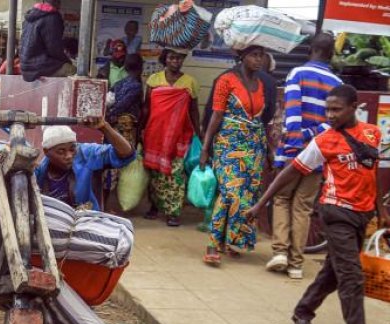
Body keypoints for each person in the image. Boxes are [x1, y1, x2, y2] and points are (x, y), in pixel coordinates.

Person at [247, 85, 386, 324]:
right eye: (328, 109)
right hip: (335, 213)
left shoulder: (373, 133)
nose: (330, 115)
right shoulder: (324, 141)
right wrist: (260, 204)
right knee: (352, 277)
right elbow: (290, 171)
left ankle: (303, 311)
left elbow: (370, 173)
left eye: (337, 109)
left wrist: (381, 211)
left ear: (354, 107)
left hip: (362, 214)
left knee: (334, 273)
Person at [267, 33, 343, 280]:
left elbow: (293, 114)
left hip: (293, 149)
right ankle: (296, 264)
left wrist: (293, 149)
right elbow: (332, 124)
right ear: (331, 53)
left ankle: (279, 251)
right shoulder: (336, 83)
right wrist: (312, 136)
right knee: (303, 207)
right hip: (318, 153)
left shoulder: (296, 74)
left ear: (310, 49)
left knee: (281, 198)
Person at [199, 45, 267, 265]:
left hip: (254, 145)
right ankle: (212, 244)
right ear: (242, 56)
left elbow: (260, 119)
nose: (259, 60)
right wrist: (205, 147)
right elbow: (216, 114)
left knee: (246, 195)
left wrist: (271, 151)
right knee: (230, 192)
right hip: (228, 143)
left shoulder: (261, 83)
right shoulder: (226, 80)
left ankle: (230, 240)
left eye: (261, 55)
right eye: (254, 55)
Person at [142, 48, 201, 226]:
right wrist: (140, 130)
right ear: (165, 59)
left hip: (179, 135)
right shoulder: (154, 79)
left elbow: (193, 111)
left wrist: (200, 134)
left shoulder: (190, 82)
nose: (176, 61)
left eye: (179, 58)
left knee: (176, 174)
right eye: (172, 58)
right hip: (155, 133)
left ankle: (173, 212)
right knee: (155, 174)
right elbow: (146, 107)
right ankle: (154, 206)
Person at [35, 117, 135, 211]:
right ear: (46, 151)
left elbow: (126, 153)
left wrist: (104, 127)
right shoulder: (39, 171)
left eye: (72, 149)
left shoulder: (84, 153)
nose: (69, 155)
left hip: (86, 219)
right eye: (61, 151)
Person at [104, 54, 144, 211]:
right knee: (120, 165)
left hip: (112, 128)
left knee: (111, 164)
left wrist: (108, 117)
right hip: (125, 130)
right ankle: (110, 205)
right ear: (140, 67)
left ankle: (107, 203)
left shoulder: (119, 83)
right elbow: (122, 105)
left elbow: (109, 101)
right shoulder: (136, 86)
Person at [20, 0, 76, 82]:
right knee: (74, 71)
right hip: (40, 66)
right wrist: (67, 61)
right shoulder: (52, 18)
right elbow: (54, 49)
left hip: (25, 66)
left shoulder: (29, 17)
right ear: (57, 3)